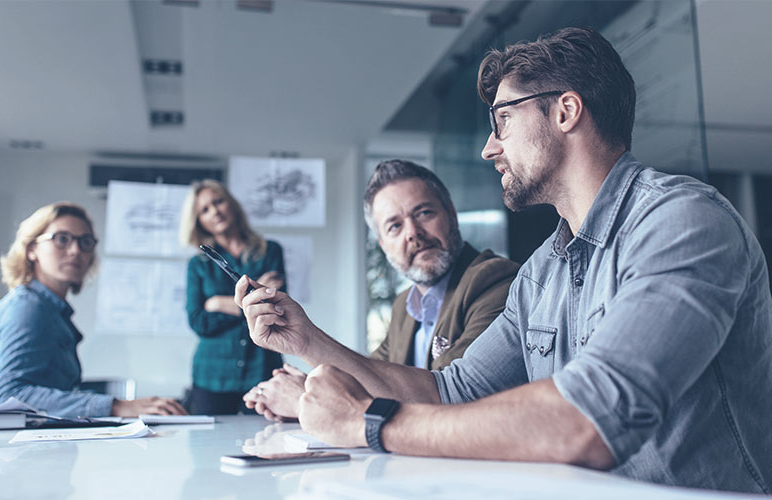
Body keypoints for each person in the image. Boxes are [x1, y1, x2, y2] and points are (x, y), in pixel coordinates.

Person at [236, 27, 772, 493]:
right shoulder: (541, 272)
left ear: (565, 111)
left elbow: (589, 420)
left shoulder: (682, 222)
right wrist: (305, 340)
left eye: (502, 121)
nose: (489, 148)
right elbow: (450, 392)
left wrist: (370, 423)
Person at [243, 160, 520, 421]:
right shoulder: (405, 305)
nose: (412, 232)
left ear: (451, 213)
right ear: (383, 243)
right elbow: (371, 378)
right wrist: (311, 385)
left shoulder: (495, 281)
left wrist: (305, 398)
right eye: (395, 226)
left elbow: (447, 398)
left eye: (424, 213)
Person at [0, 202, 187, 418]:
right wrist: (115, 406)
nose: (76, 251)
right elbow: (8, 397)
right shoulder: (27, 307)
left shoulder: (52, 311)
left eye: (85, 242)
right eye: (62, 239)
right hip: (5, 449)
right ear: (32, 249)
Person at [180, 179, 285, 415]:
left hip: (262, 369)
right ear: (199, 222)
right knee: (207, 448)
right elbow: (198, 321)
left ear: (232, 205)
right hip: (212, 375)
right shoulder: (199, 265)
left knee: (266, 442)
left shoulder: (270, 252)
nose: (215, 211)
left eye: (218, 202)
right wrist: (251, 303)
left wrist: (217, 303)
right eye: (205, 210)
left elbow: (275, 308)